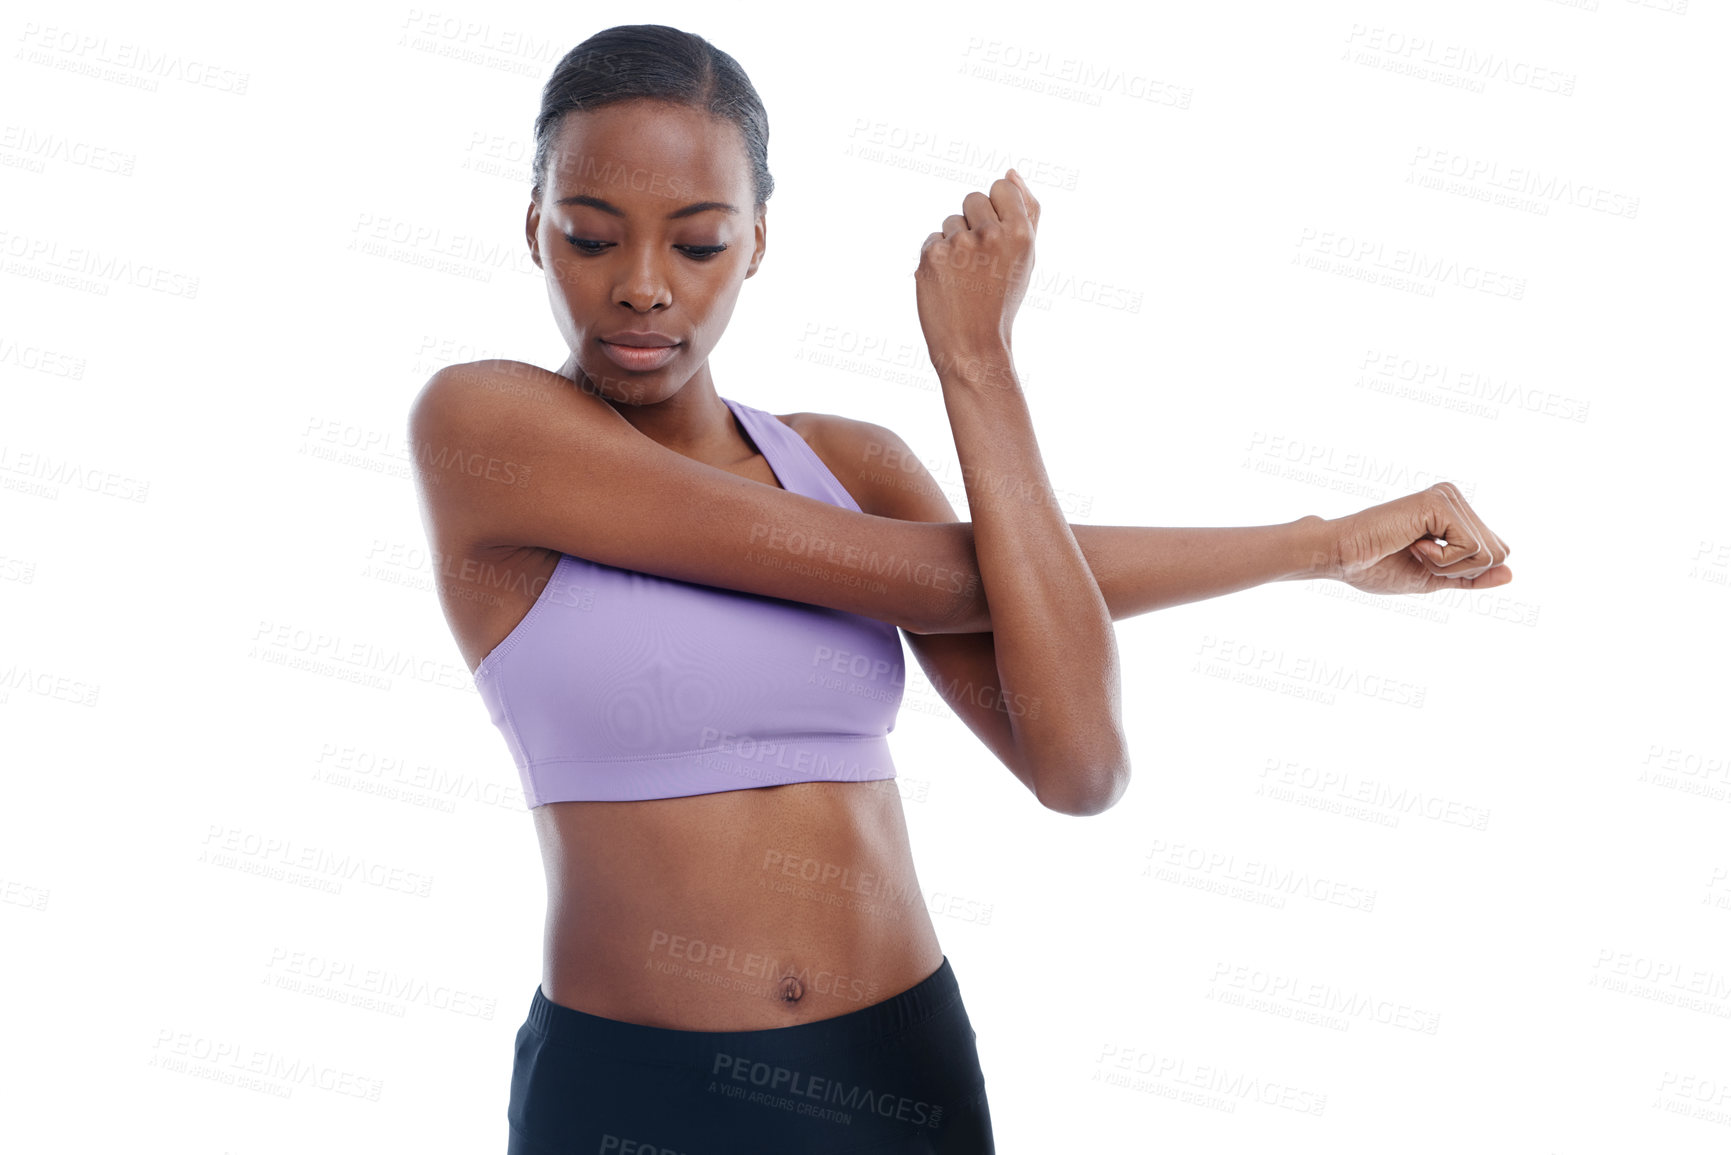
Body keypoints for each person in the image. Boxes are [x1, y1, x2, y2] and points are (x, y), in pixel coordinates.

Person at [407, 24, 1513, 1155]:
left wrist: (977, 364)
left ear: (759, 243)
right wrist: (1312, 546)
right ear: (534, 229)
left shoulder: (855, 464)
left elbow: (1079, 765)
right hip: (630, 1095)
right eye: (592, 237)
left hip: (894, 1072)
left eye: (698, 245)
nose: (641, 289)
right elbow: (941, 583)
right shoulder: (485, 427)